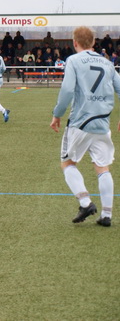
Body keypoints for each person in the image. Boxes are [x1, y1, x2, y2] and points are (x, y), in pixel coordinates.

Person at [50, 26, 120, 227]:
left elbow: (67, 90)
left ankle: (85, 202)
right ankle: (106, 215)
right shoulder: (108, 63)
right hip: (102, 123)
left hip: (80, 122)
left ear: (75, 43)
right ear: (93, 42)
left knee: (67, 163)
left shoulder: (73, 60)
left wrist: (57, 115)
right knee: (102, 167)